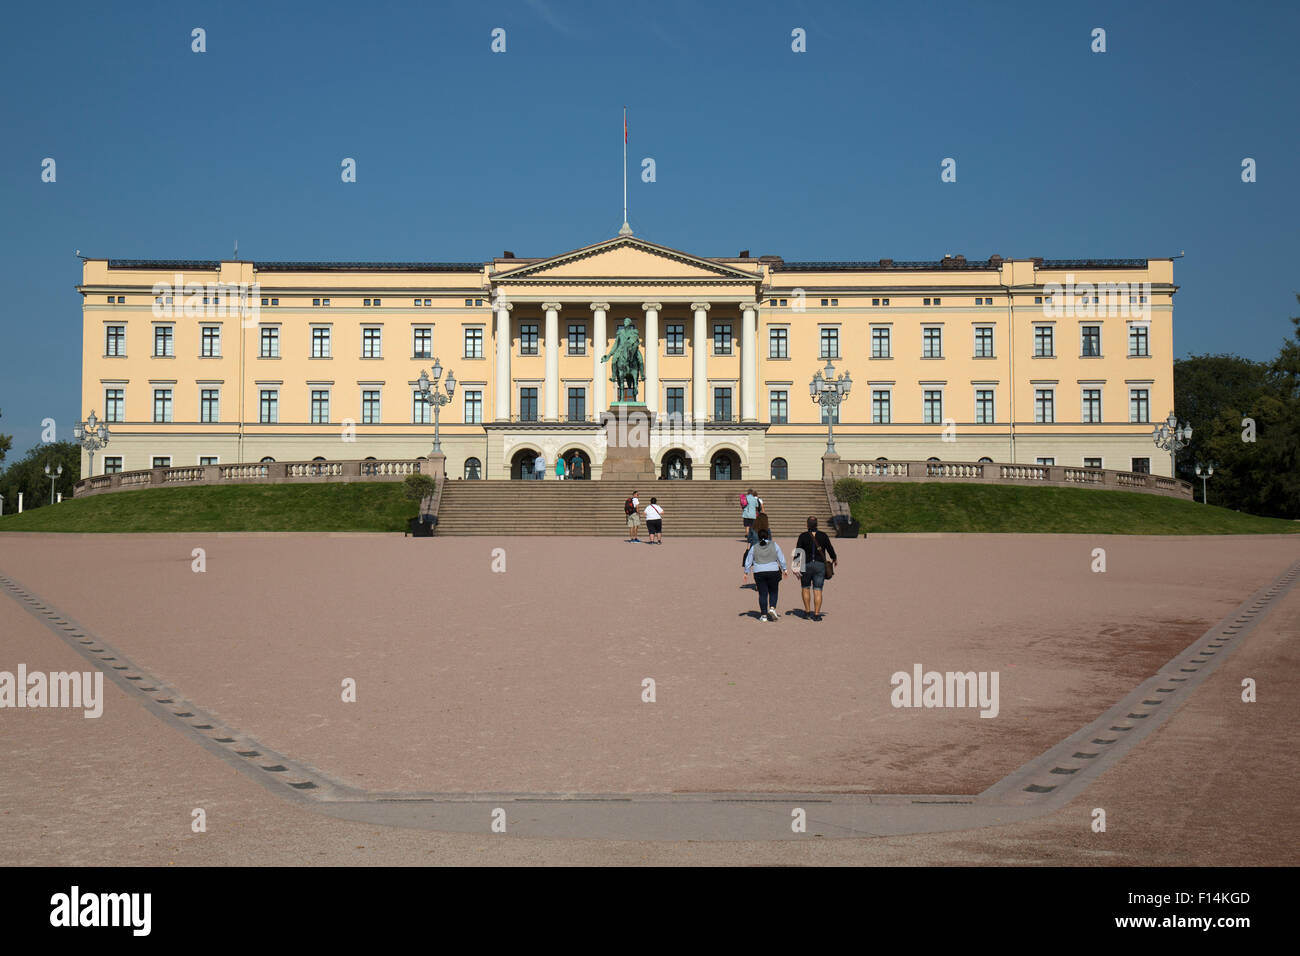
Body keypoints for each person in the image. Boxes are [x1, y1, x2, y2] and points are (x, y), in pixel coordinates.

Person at [795, 516, 838, 622]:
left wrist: (795, 566)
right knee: (818, 590)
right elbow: (829, 548)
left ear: (807, 525)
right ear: (817, 524)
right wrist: (834, 558)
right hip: (820, 565)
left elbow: (798, 551)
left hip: (806, 564)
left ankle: (807, 612)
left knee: (805, 587)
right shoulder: (823, 536)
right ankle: (817, 614)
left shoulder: (803, 536)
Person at [743, 528, 788, 622]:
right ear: (768, 536)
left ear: (758, 537)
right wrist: (784, 569)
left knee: (762, 594)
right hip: (773, 571)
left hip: (759, 572)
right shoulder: (774, 545)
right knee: (773, 591)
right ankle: (772, 608)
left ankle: (763, 615)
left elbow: (749, 560)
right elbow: (781, 558)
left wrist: (746, 572)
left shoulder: (754, 547)